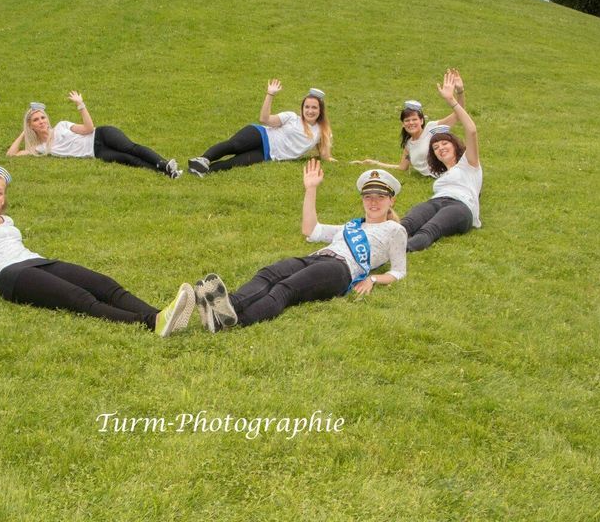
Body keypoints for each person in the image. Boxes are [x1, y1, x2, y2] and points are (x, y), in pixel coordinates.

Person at [0, 166, 194, 336]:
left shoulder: (6, 221)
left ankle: (161, 314)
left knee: (104, 284)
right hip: (10, 276)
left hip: (36, 262)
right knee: (79, 298)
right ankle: (151, 322)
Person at [190, 159, 407, 331]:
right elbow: (310, 230)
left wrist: (373, 278)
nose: (373, 202)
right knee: (269, 273)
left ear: (391, 201)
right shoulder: (350, 226)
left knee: (285, 289)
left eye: (380, 197)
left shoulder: (395, 229)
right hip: (318, 257)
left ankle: (235, 320)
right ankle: (227, 305)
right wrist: (310, 189)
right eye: (368, 196)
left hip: (340, 270)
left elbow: (399, 271)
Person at [6, 92, 181, 178]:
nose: (41, 121)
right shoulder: (41, 148)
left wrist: (80, 105)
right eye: (36, 120)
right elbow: (11, 154)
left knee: (130, 148)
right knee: (128, 160)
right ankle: (167, 173)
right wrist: (24, 132)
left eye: (42, 117)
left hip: (101, 135)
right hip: (96, 152)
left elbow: (88, 129)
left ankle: (163, 163)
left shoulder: (61, 126)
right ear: (32, 126)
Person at [399, 70, 481, 251]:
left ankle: (393, 255)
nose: (440, 148)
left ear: (455, 146)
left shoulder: (470, 164)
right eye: (435, 148)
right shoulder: (440, 174)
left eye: (445, 143)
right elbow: (402, 166)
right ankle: (373, 246)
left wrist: (455, 97)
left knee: (428, 230)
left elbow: (471, 130)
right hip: (436, 200)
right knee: (405, 224)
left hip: (461, 206)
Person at [187, 79, 334, 176]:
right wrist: (270, 94)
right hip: (260, 135)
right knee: (234, 145)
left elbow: (325, 156)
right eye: (307, 107)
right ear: (302, 108)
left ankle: (202, 172)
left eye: (314, 107)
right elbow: (264, 119)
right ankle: (203, 159)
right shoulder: (291, 117)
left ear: (320, 110)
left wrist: (349, 163)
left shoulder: (322, 132)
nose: (310, 111)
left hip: (267, 155)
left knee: (233, 164)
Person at [351, 69, 467, 177]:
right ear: (403, 124)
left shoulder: (432, 129)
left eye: (414, 119)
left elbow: (459, 113)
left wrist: (460, 91)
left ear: (421, 121)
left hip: (451, 175)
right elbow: (402, 168)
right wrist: (372, 163)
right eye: (407, 120)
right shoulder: (409, 144)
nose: (411, 123)